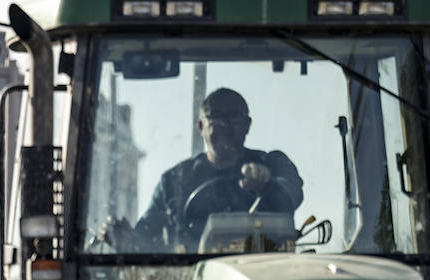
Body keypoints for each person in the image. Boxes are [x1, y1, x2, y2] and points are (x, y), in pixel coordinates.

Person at [106, 87, 304, 251]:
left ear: (247, 125)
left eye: (234, 117)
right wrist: (126, 239)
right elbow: (146, 238)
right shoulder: (175, 181)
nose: (225, 125)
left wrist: (268, 187)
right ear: (201, 126)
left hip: (264, 271)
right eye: (216, 117)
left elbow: (292, 193)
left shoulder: (274, 165)